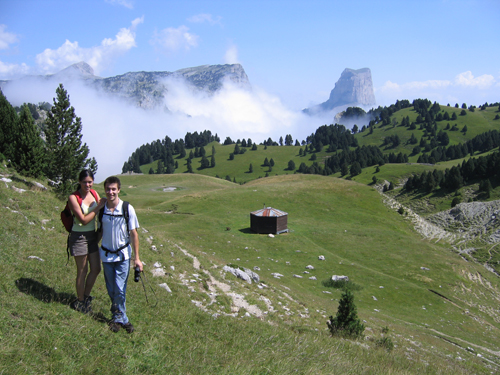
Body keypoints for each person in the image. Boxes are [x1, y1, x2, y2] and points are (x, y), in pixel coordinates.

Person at [99, 176, 143, 333]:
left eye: (113, 189)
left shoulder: (127, 208)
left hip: (123, 256)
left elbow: (134, 233)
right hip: (106, 255)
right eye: (108, 189)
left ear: (118, 190)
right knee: (111, 289)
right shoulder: (102, 208)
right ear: (105, 190)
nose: (111, 192)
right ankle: (121, 317)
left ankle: (119, 319)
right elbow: (99, 230)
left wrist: (136, 259)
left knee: (119, 288)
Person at [68, 169, 106, 313]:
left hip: (92, 236)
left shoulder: (94, 194)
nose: (88, 185)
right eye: (84, 182)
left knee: (96, 269)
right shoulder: (73, 198)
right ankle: (80, 301)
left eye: (90, 181)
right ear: (79, 182)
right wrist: (98, 207)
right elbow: (83, 220)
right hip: (78, 237)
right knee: (82, 271)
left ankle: (85, 296)